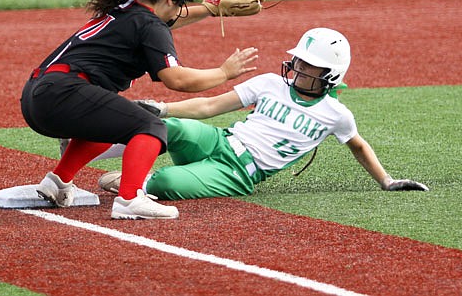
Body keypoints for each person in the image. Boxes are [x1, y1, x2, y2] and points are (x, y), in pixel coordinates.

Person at [20, 0, 259, 219]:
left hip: (38, 97)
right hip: (65, 95)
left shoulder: (126, 7)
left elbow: (161, 21)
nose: (179, 11)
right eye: (179, 4)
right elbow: (176, 80)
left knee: (109, 124)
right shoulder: (150, 25)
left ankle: (57, 183)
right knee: (150, 126)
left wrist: (210, 9)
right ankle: (130, 198)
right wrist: (224, 72)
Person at [98, 27, 429, 200]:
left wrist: (386, 181)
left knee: (166, 181)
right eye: (298, 60)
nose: (297, 66)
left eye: (308, 65)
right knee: (170, 127)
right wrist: (162, 107)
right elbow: (212, 105)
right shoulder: (271, 82)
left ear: (331, 74)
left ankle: (138, 182)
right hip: (220, 141)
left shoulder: (335, 113)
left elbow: (358, 145)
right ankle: (95, 144)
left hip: (239, 174)